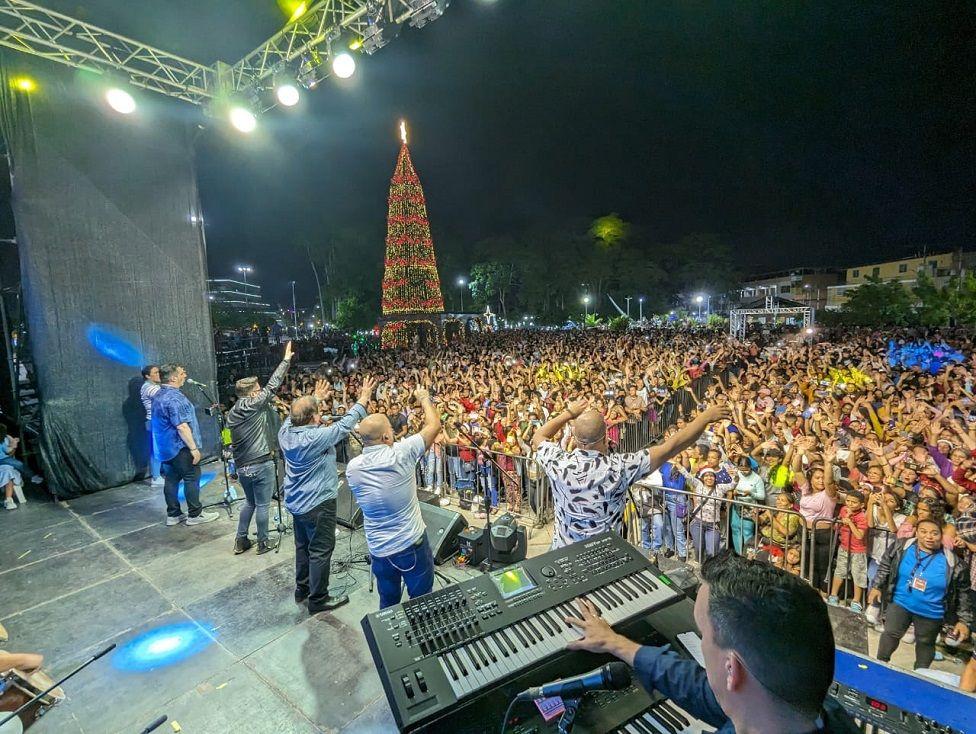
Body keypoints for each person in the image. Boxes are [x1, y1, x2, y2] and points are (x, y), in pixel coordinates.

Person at [563, 550, 858, 733]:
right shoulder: (799, 707)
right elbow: (700, 687)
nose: (701, 646)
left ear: (732, 670)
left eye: (703, 635)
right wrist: (617, 643)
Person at [531, 398, 730, 549]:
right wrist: (705, 417)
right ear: (606, 435)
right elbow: (671, 446)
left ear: (575, 437)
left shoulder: (557, 462)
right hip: (605, 555)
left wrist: (569, 412)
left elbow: (539, 436)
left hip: (563, 550)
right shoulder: (620, 467)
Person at [279, 375, 376, 614]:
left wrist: (315, 398)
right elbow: (344, 426)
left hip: (296, 502)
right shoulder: (316, 437)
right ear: (314, 417)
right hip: (318, 503)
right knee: (321, 550)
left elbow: (295, 415)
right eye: (318, 410)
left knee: (303, 547)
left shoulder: (285, 431)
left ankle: (302, 589)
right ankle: (318, 598)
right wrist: (363, 399)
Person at [346, 386, 442, 609]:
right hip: (411, 544)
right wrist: (424, 398)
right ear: (387, 435)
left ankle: (392, 640)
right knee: (421, 600)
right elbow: (434, 425)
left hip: (379, 549)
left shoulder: (353, 468)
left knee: (388, 602)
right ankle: (422, 637)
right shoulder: (401, 454)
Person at [869, 518, 972, 670]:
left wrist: (964, 621)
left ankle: (921, 674)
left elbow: (964, 594)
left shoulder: (955, 563)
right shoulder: (902, 546)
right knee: (890, 634)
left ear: (941, 535)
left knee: (925, 644)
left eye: (934, 533)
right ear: (916, 532)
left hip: (931, 612)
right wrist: (877, 586)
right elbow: (886, 564)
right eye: (923, 532)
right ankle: (879, 666)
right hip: (900, 603)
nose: (929, 537)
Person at [226, 341, 293, 555]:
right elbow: (273, 385)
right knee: (263, 505)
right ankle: (263, 543)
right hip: (261, 462)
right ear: (252, 394)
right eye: (258, 390)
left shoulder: (233, 411)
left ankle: (241, 540)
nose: (262, 391)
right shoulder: (253, 404)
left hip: (243, 465)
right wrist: (286, 360)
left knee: (250, 503)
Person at [151, 363, 219, 526]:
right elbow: (181, 426)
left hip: (165, 448)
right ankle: (195, 514)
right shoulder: (175, 398)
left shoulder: (158, 395)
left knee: (172, 479)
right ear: (173, 377)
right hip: (180, 447)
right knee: (191, 477)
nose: (185, 376)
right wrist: (193, 448)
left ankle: (173, 514)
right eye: (182, 373)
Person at [828, 489, 869, 612]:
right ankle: (833, 595)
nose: (850, 504)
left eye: (854, 502)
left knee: (858, 574)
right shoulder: (844, 510)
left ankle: (856, 601)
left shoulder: (862, 517)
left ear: (861, 505)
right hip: (844, 547)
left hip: (858, 550)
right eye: (848, 501)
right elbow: (839, 523)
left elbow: (860, 535)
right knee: (839, 571)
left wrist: (850, 522)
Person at [139, 364, 163, 487]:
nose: (159, 374)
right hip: (155, 422)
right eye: (156, 372)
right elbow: (165, 396)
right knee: (157, 450)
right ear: (147, 376)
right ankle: (156, 477)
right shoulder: (149, 388)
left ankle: (158, 475)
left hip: (158, 422)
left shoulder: (154, 387)